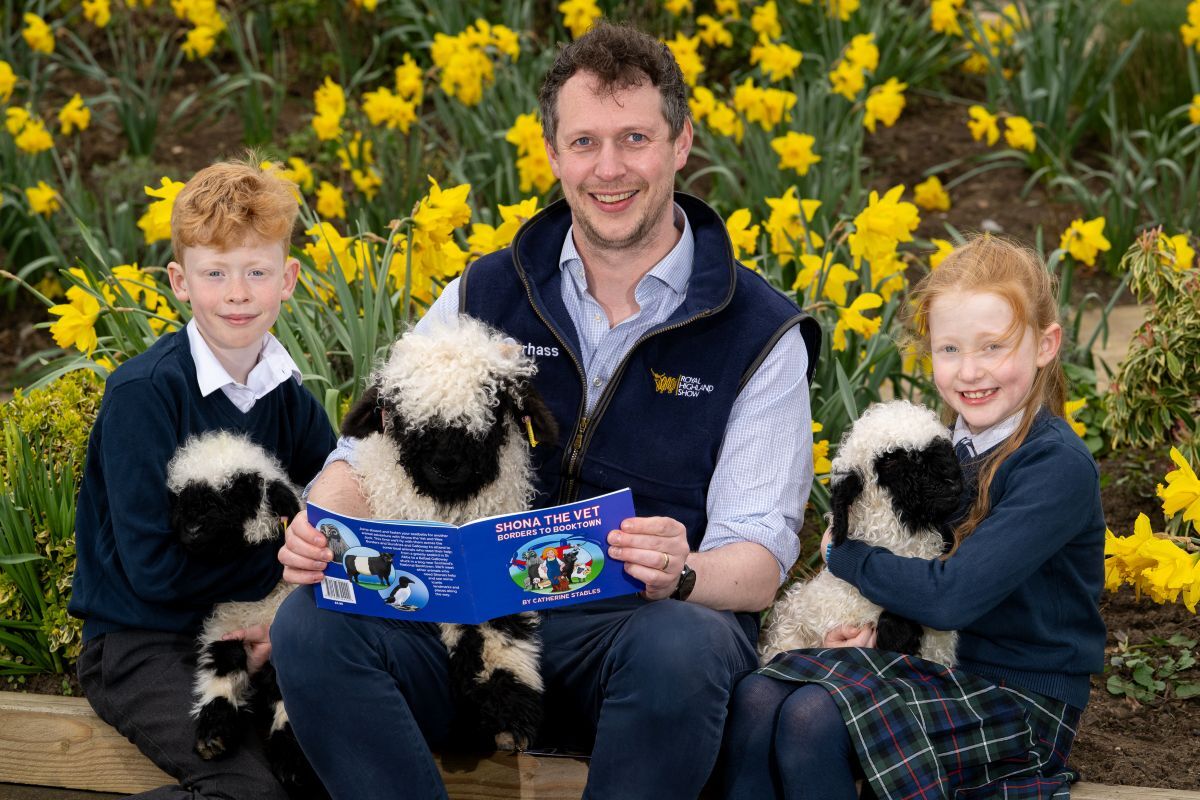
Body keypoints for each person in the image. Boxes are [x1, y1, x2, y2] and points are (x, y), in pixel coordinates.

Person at [271, 22, 820, 800]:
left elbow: (758, 565)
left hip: (634, 637)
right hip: (474, 627)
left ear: (681, 142)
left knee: (687, 645)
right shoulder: (484, 290)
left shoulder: (759, 332)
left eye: (635, 138)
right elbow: (365, 451)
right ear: (552, 151)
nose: (610, 168)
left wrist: (685, 567)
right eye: (585, 141)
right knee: (313, 625)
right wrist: (320, 526)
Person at [721, 235, 1106, 800]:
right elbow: (917, 574)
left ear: (1045, 345)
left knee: (813, 715)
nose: (970, 371)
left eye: (993, 347)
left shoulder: (1054, 467)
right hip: (934, 667)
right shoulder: (942, 446)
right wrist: (877, 634)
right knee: (758, 698)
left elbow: (951, 596)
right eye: (949, 350)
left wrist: (843, 555)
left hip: (1020, 700)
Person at [68, 159, 337, 799]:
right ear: (180, 281)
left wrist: (281, 613)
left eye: (256, 271)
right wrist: (282, 569)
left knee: (321, 766)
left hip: (245, 630)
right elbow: (154, 572)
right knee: (248, 791)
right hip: (142, 643)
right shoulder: (144, 394)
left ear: (288, 279)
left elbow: (332, 521)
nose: (237, 293)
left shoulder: (290, 399)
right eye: (215, 273)